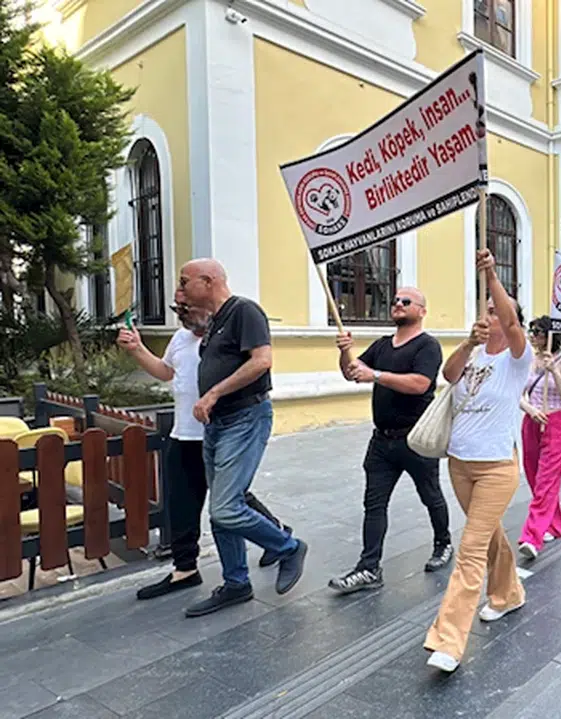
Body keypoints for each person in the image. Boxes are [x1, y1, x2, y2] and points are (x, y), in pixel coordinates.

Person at [117, 293, 289, 601]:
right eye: (178, 309)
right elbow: (166, 371)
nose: (182, 314)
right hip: (183, 432)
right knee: (183, 503)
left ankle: (278, 539)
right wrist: (137, 349)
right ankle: (185, 569)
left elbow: (259, 364)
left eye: (187, 307)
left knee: (231, 502)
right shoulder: (180, 339)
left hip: (222, 431)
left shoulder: (226, 337)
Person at [178, 259, 306, 617]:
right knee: (221, 510)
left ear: (208, 281)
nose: (181, 289)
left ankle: (288, 546)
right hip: (218, 424)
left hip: (244, 418)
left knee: (225, 507)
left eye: (185, 281)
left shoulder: (245, 311)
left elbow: (262, 361)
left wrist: (214, 393)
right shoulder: (215, 321)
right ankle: (236, 583)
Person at [425, 249, 530, 673]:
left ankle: (448, 642)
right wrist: (469, 342)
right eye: (486, 309)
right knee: (488, 536)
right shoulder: (474, 353)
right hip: (460, 463)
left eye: (497, 310)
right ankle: (509, 594)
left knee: (470, 549)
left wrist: (491, 275)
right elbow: (448, 376)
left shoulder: (518, 358)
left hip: (496, 467)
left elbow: (512, 324)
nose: (491, 314)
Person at [327, 288, 452, 596]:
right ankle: (369, 568)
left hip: (416, 439)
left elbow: (420, 383)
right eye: (395, 300)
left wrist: (376, 375)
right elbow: (352, 373)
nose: (398, 304)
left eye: (406, 301)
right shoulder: (382, 345)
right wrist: (345, 352)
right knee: (374, 504)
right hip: (382, 441)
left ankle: (443, 543)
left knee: (430, 495)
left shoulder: (427, 346)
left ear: (422, 311)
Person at [517, 317, 561, 560]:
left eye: (538, 332)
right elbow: (517, 394)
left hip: (555, 423)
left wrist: (554, 371)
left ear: (550, 335)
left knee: (546, 481)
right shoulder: (527, 362)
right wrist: (530, 409)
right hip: (531, 422)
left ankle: (532, 536)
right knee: (533, 476)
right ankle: (556, 523)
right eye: (531, 331)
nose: (532, 336)